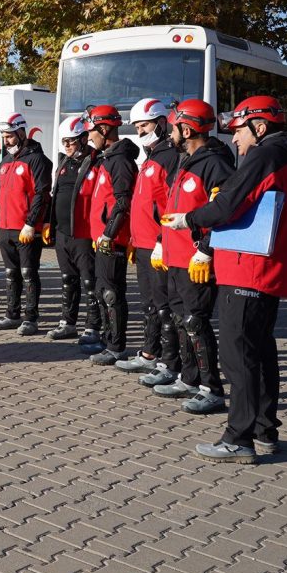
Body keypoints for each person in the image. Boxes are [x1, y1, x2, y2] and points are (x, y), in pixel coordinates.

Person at [163, 97, 287, 463]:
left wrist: (189, 220)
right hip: (266, 270)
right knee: (260, 354)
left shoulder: (263, 156)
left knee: (238, 358)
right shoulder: (286, 157)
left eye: (239, 131)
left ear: (259, 127)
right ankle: (264, 431)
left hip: (247, 270)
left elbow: (228, 204)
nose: (235, 140)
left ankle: (238, 438)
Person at [149, 99, 234, 416]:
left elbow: (225, 211)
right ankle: (189, 378)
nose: (170, 132)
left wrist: (206, 250)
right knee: (181, 321)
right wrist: (161, 241)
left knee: (196, 323)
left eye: (172, 126)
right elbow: (173, 210)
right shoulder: (186, 162)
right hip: (174, 258)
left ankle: (212, 390)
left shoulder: (215, 164)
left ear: (186, 128)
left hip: (195, 262)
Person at [116, 99, 183, 384]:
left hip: (158, 246)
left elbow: (170, 204)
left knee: (164, 306)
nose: (140, 131)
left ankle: (169, 362)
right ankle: (149, 354)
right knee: (150, 305)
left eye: (144, 125)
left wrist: (159, 239)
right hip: (142, 244)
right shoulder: (151, 157)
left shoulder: (168, 157)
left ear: (161, 123)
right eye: (137, 126)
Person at [85, 104, 139, 365]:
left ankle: (116, 346)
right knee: (102, 291)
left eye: (91, 132)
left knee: (111, 293)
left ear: (104, 129)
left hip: (112, 240)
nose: (89, 138)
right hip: (102, 239)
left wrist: (109, 234)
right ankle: (108, 340)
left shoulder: (119, 161)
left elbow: (122, 202)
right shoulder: (108, 158)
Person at [0, 113, 52, 335]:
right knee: (10, 273)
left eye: (9, 137)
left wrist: (32, 223)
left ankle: (30, 318)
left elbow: (42, 194)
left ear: (21, 133)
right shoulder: (6, 161)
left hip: (25, 229)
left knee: (28, 273)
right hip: (6, 228)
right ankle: (11, 314)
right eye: (4, 137)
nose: (6, 141)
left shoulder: (37, 160)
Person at [45, 116, 102, 341]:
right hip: (63, 232)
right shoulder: (64, 162)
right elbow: (56, 193)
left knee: (89, 281)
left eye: (71, 141)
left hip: (84, 233)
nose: (67, 146)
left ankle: (93, 326)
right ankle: (68, 323)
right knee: (68, 279)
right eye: (64, 142)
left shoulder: (94, 161)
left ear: (83, 139)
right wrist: (50, 222)